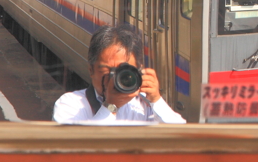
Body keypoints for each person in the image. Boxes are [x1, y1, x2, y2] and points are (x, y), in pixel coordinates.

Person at [53, 24, 186, 124]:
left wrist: (156, 100)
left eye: (123, 70)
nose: (114, 78)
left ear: (138, 71)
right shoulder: (71, 104)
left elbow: (182, 139)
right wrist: (111, 106)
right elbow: (76, 149)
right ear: (91, 70)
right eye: (107, 70)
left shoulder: (145, 105)